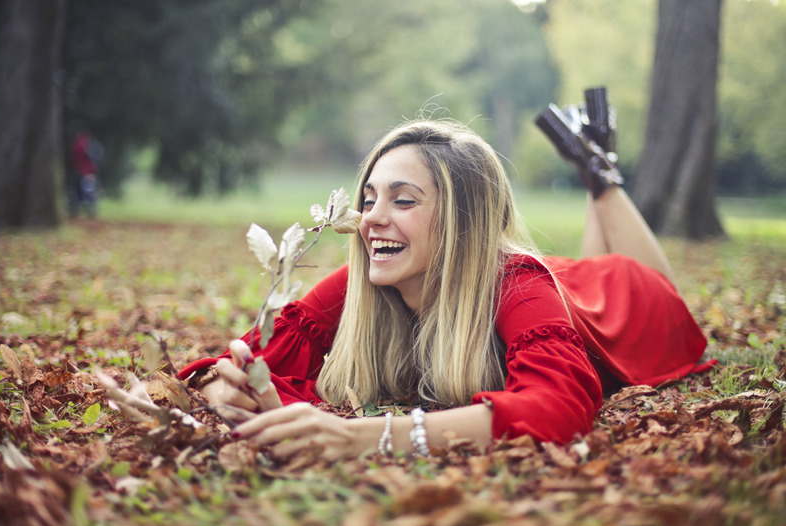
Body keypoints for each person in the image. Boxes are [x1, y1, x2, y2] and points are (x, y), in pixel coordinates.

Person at [177, 88, 714, 461]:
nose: (371, 219)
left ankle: (598, 169)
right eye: (369, 199)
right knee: (582, 272)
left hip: (629, 299)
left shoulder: (517, 284)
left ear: (462, 223)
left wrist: (366, 436)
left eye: (403, 200)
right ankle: (592, 155)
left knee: (625, 273)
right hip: (568, 287)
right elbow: (238, 364)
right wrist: (231, 393)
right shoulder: (369, 273)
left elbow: (557, 408)